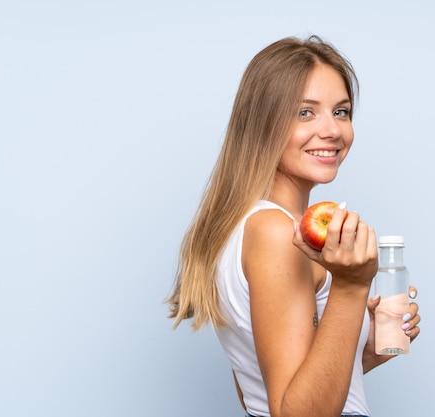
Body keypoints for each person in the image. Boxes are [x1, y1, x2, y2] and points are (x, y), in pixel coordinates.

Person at [167, 35, 421, 417]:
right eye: (306, 112)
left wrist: (362, 349)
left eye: (341, 111)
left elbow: (265, 389)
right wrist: (351, 289)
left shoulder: (244, 226)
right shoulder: (276, 233)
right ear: (263, 123)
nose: (332, 130)